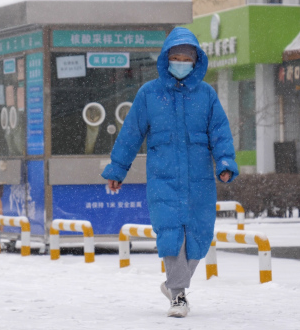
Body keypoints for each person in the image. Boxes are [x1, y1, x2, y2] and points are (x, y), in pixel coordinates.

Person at [101, 27, 238, 318]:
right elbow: (131, 134)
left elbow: (220, 133)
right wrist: (117, 170)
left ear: (195, 61)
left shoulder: (207, 95)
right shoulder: (149, 94)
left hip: (199, 180)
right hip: (163, 180)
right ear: (165, 59)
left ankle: (173, 284)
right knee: (171, 235)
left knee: (199, 236)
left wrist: (225, 163)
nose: (180, 62)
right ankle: (178, 296)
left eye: (185, 58)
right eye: (175, 57)